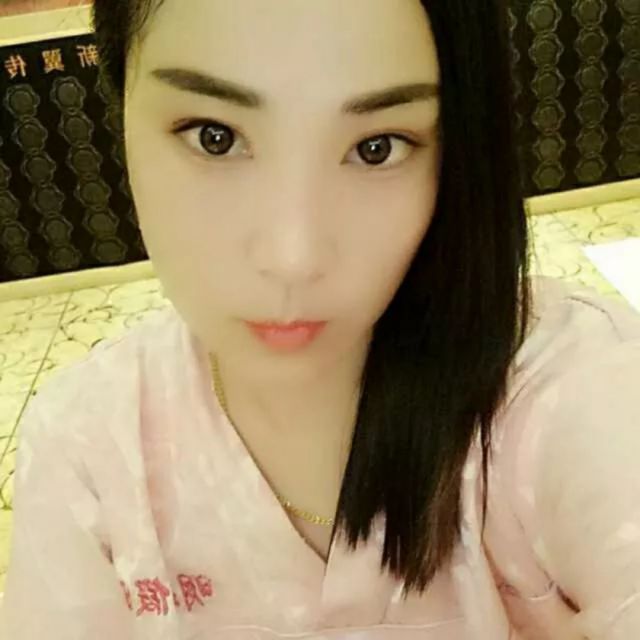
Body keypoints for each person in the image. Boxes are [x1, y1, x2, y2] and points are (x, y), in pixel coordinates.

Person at [1, 0, 639, 638]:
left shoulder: (563, 387)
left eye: (376, 148)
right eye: (214, 137)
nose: (294, 257)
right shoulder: (90, 449)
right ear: (121, 110)